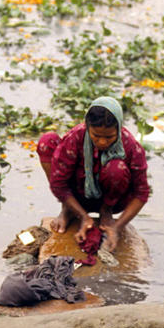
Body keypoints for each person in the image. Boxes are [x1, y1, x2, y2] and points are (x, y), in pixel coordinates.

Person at [37, 95, 150, 252]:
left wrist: (118, 226)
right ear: (87, 127)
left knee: (116, 169)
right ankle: (68, 209)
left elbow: (142, 193)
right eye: (96, 136)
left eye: (109, 137)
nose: (102, 142)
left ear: (118, 128)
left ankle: (106, 212)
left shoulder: (130, 146)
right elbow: (59, 183)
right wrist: (84, 217)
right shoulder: (76, 137)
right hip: (77, 193)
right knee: (47, 142)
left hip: (113, 199)